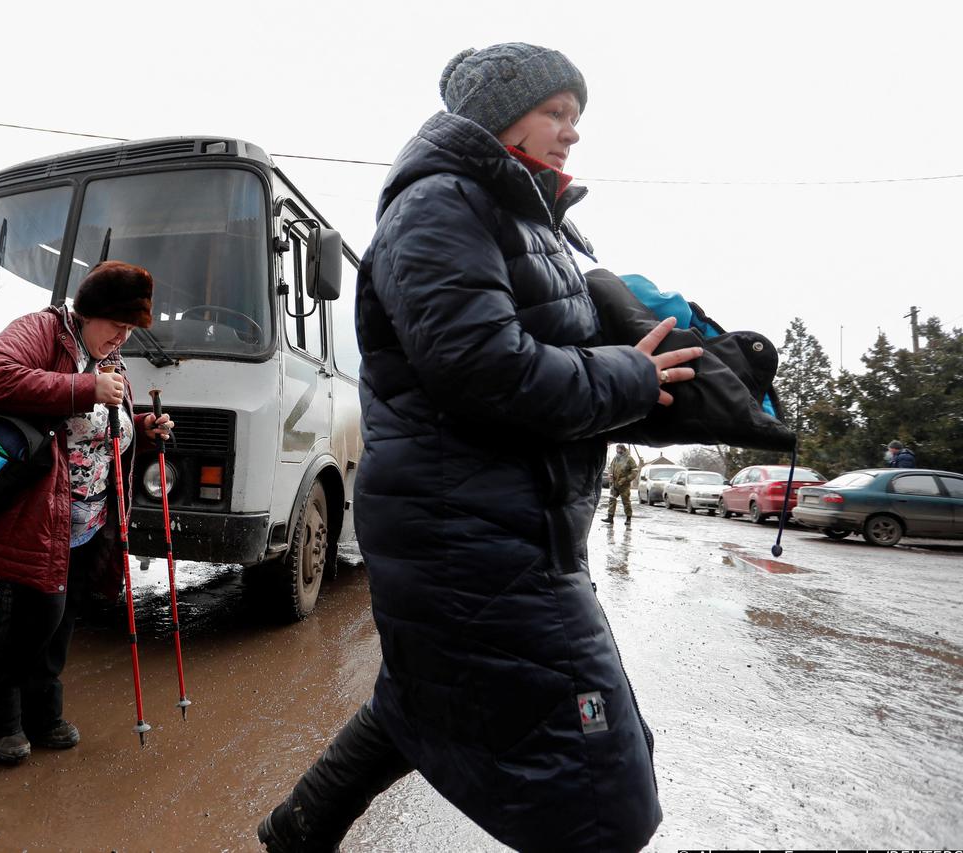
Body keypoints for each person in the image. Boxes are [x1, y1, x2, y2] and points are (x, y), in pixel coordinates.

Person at [258, 43, 703, 852]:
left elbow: (542, 358)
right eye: (556, 113)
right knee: (606, 794)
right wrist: (629, 380)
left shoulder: (517, 217)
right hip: (469, 532)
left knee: (419, 701)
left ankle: (296, 830)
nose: (572, 133)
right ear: (503, 115)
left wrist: (661, 370)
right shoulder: (440, 205)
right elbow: (485, 367)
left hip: (498, 523)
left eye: (577, 117)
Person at [0, 260, 174, 765]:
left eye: (131, 330)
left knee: (59, 622)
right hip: (34, 513)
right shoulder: (43, 330)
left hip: (87, 520)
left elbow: (98, 430)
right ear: (89, 313)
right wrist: (83, 388)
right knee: (28, 617)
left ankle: (43, 714)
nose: (123, 338)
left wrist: (143, 428)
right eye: (118, 326)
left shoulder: (107, 356)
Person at [604, 443, 639, 525]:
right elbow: (610, 467)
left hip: (624, 484)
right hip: (614, 483)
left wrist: (626, 479)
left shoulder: (629, 459)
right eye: (617, 449)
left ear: (623, 449)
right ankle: (610, 517)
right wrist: (610, 474)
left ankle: (628, 518)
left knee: (626, 502)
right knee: (612, 500)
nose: (617, 450)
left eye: (619, 449)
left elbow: (635, 471)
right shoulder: (616, 458)